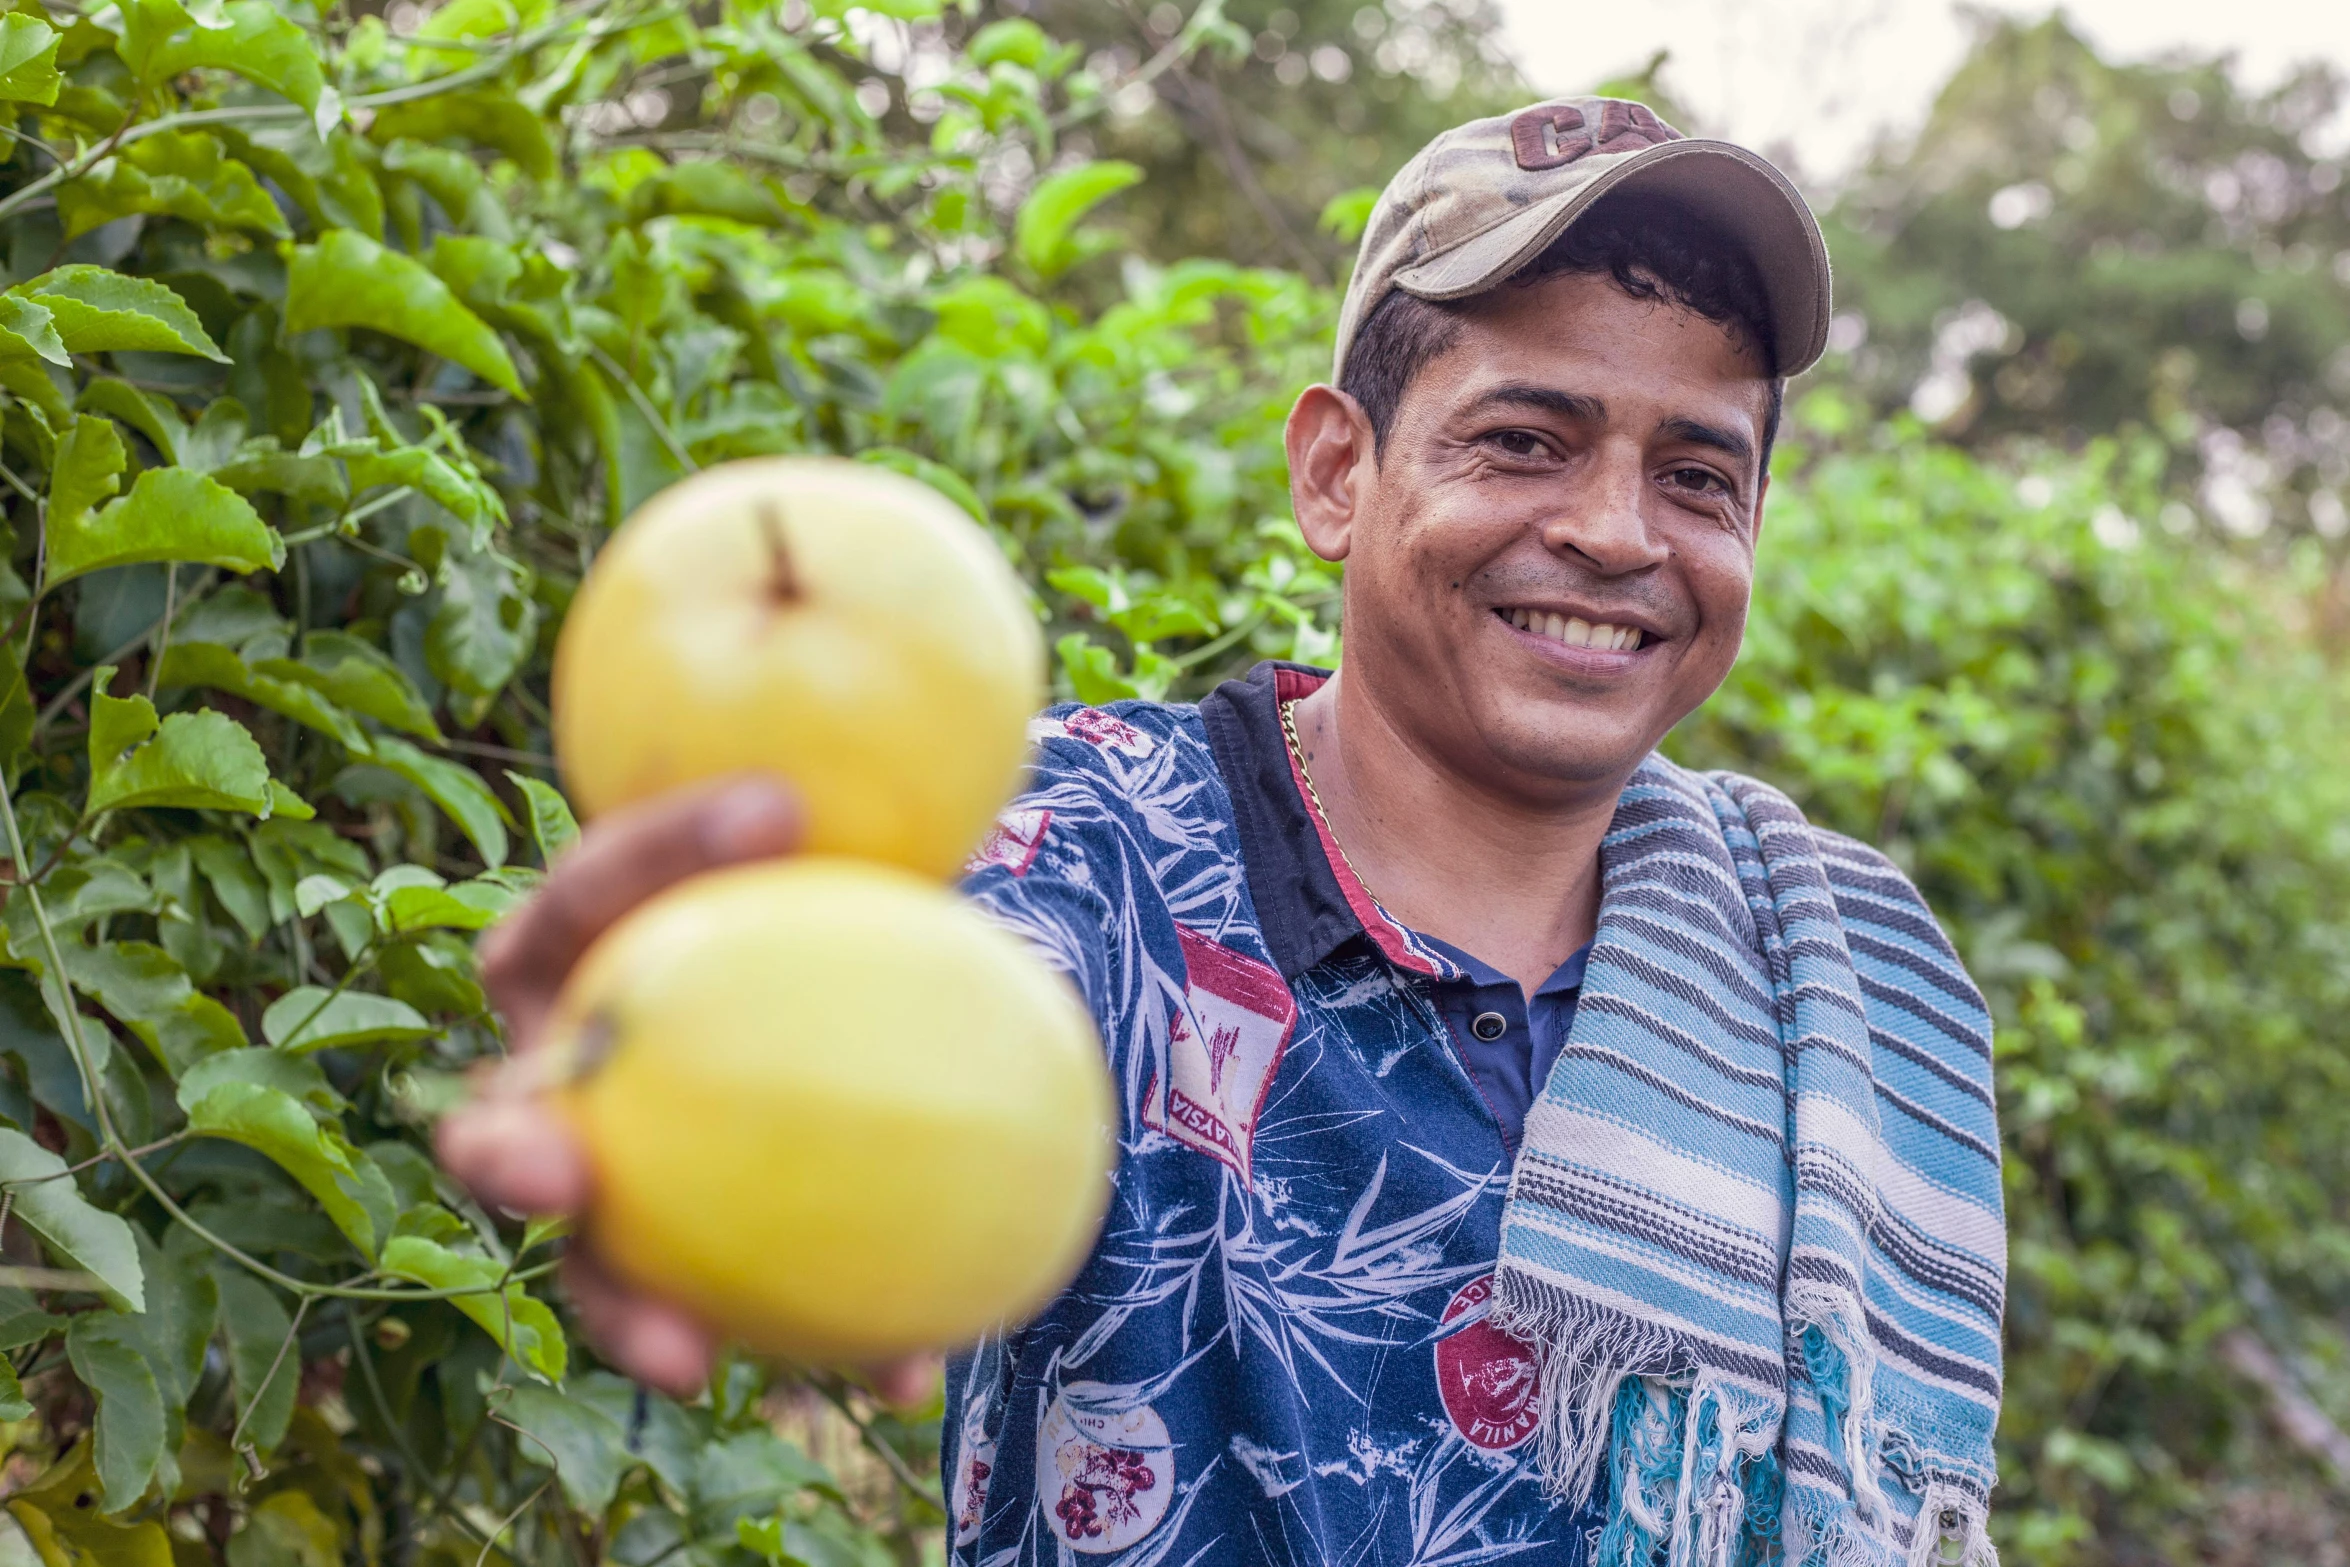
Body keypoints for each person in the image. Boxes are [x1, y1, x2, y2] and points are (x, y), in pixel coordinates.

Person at [440, 97, 2007, 1567]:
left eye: (1694, 474)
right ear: (1335, 469)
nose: (1612, 532)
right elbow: (913, 976)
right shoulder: (1090, 843)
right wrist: (684, 1038)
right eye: (1524, 440)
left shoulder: (1821, 971)